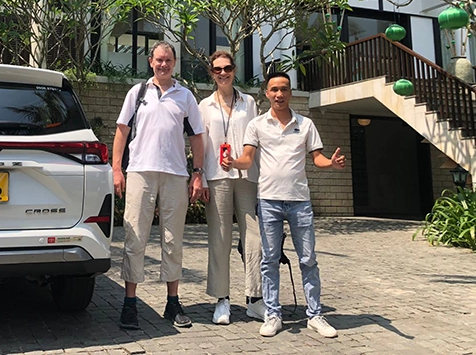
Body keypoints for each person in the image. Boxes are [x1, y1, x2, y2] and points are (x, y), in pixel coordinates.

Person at [222, 71, 345, 338]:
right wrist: (233, 163)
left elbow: (318, 158)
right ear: (267, 93)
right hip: (269, 201)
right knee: (269, 260)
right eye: (274, 89)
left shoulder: (306, 124)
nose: (279, 94)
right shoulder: (257, 124)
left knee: (308, 259)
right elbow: (247, 158)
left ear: (290, 93)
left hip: (300, 201)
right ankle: (273, 314)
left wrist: (331, 164)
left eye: (284, 89)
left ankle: (315, 315)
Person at [112, 41, 205, 330]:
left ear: (174, 63)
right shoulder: (137, 93)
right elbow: (122, 131)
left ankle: (173, 302)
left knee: (172, 240)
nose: (163, 64)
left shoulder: (185, 96)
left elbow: (197, 137)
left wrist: (198, 173)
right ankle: (130, 303)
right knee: (135, 238)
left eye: (168, 60)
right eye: (159, 60)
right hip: (140, 172)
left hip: (175, 174)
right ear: (151, 61)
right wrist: (116, 168)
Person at [198, 51, 265, 325]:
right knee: (220, 238)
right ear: (211, 73)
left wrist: (263, 178)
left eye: (227, 68)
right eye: (217, 69)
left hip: (247, 175)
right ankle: (222, 299)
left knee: (255, 239)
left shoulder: (248, 102)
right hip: (217, 177)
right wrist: (201, 178)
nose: (222, 73)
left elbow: (257, 140)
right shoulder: (204, 105)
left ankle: (255, 299)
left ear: (234, 69)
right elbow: (201, 145)